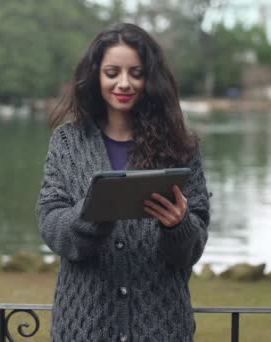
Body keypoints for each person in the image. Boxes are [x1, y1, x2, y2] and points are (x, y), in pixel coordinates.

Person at [36, 23, 210, 342]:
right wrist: (89, 215)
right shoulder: (67, 143)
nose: (124, 83)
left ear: (150, 79)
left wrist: (179, 226)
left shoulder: (180, 146)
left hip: (160, 328)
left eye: (136, 72)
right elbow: (50, 225)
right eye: (112, 72)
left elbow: (194, 246)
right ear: (96, 76)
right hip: (85, 328)